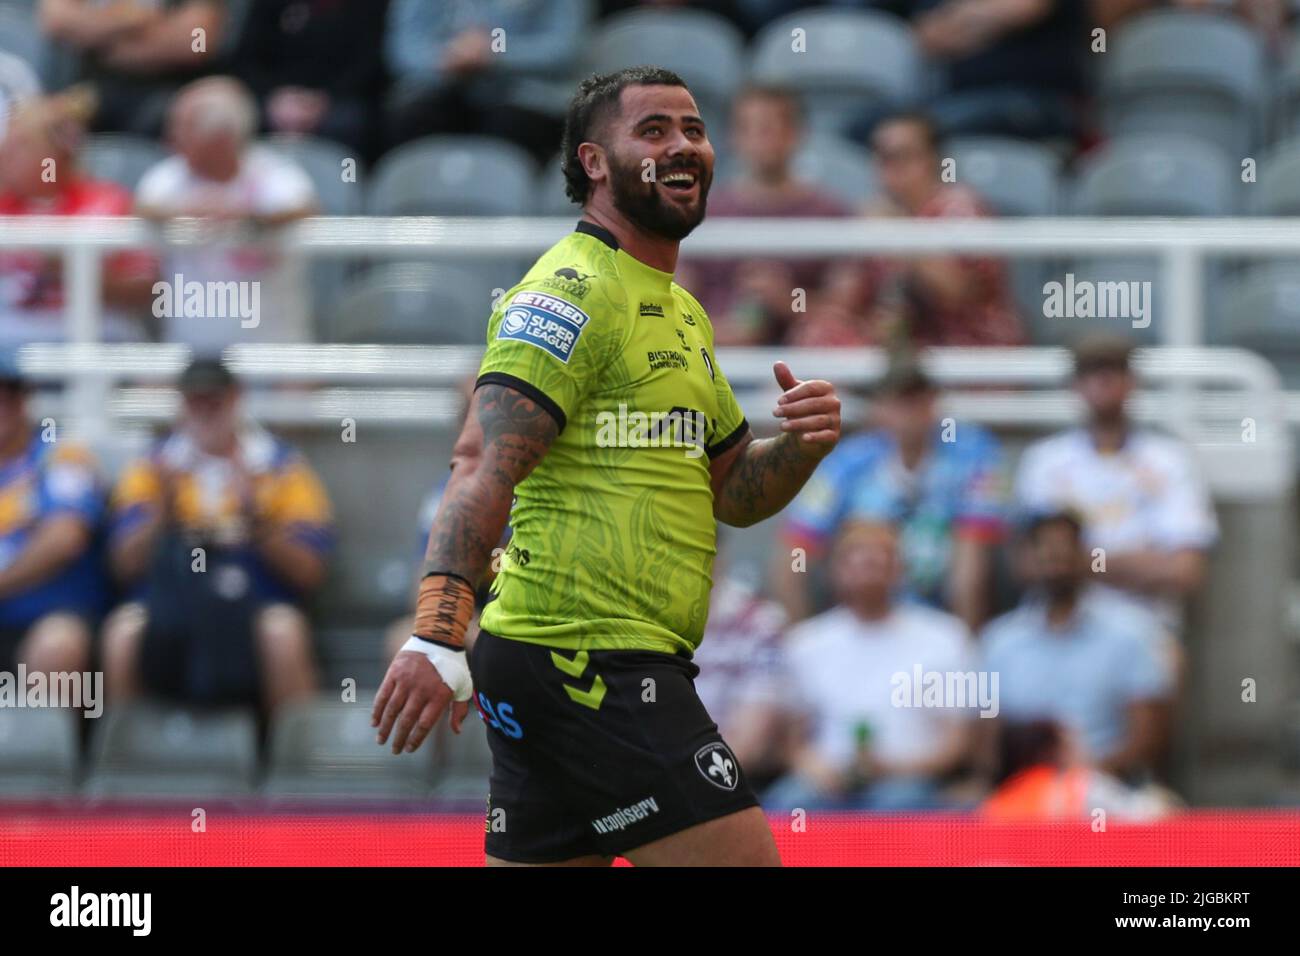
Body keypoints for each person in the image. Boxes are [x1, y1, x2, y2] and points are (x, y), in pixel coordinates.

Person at [371, 66, 843, 867]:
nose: (683, 145)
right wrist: (437, 636)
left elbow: (733, 489)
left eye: (693, 128)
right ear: (595, 161)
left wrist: (798, 447)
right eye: (654, 130)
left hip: (576, 660)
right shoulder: (569, 291)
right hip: (589, 661)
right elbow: (481, 462)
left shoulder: (681, 308)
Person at [102, 359, 333, 714]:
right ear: (182, 403)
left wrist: (256, 520)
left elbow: (309, 571)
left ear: (236, 398)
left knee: (282, 634)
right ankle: (127, 760)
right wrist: (161, 515)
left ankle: (296, 759)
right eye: (196, 400)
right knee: (123, 633)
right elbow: (123, 565)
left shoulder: (281, 467)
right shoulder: (152, 468)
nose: (206, 410)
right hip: (170, 600)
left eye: (215, 399)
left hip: (254, 600)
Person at [771, 353, 1007, 632]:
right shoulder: (846, 463)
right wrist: (800, 640)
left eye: (919, 398)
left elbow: (970, 565)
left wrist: (963, 643)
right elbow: (795, 552)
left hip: (938, 619)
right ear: (879, 408)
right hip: (857, 618)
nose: (910, 411)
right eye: (898, 400)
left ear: (934, 402)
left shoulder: (973, 453)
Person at [1014, 334, 1217, 650]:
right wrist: (1141, 563)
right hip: (1058, 624)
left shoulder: (1171, 460)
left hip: (1146, 626)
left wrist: (1075, 562)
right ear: (1075, 385)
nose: (1102, 381)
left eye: (1113, 371)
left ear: (1132, 382)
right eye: (1091, 372)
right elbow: (1028, 566)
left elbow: (1185, 572)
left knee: (1162, 661)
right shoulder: (1044, 461)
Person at [764, 521, 976, 811]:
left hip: (911, 779)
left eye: (880, 556)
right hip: (826, 780)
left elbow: (958, 743)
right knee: (787, 806)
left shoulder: (947, 637)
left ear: (901, 568)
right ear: (833, 570)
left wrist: (890, 769)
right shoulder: (805, 643)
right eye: (856, 555)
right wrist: (814, 767)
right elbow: (790, 739)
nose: (868, 564)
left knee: (894, 805)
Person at [979, 510, 1175, 781]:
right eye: (1045, 553)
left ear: (1085, 555)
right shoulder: (999, 642)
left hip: (1108, 786)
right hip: (1022, 792)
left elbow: (1149, 738)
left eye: (1064, 551)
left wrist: (1084, 776)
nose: (1056, 563)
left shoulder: (1130, 633)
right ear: (1026, 560)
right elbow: (986, 738)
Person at [807, 111, 1024, 349]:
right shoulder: (875, 214)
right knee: (822, 331)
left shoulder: (960, 208)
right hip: (903, 347)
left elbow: (956, 294)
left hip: (969, 346)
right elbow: (842, 299)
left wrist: (899, 232)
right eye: (882, 157)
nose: (890, 168)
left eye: (901, 156)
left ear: (933, 159)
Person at [135, 76, 319, 352]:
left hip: (273, 350)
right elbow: (141, 207)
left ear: (222, 137)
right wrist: (186, 212)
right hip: (190, 355)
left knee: (300, 388)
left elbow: (304, 210)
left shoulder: (274, 173)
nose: (171, 137)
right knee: (147, 388)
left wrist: (245, 217)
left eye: (185, 127)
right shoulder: (170, 176)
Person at [675, 85, 849, 346]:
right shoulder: (698, 213)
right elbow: (673, 308)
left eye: (768, 127)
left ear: (795, 133)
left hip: (800, 368)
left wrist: (787, 299)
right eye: (747, 128)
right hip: (712, 362)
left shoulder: (830, 214)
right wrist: (725, 333)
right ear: (733, 137)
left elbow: (847, 316)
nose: (758, 140)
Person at [0, 88, 157, 346]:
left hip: (95, 342)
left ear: (57, 154)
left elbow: (145, 289)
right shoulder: (3, 206)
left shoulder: (108, 204)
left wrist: (69, 267)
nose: (5, 156)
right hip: (10, 355)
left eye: (22, 146)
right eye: (7, 144)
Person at [0, 354, 107, 680]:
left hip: (48, 613)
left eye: (8, 395)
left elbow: (65, 538)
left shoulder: (61, 457)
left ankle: (47, 733)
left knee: (56, 644)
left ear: (25, 399)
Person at [384, 0, 587, 164]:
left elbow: (564, 48)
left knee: (512, 123)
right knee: (414, 118)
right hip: (443, 87)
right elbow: (403, 50)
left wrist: (495, 53)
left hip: (525, 96)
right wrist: (449, 57)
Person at [229, 0, 390, 162]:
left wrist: (322, 100)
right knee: (237, 114)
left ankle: (346, 182)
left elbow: (368, 63)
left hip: (338, 97)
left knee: (349, 122)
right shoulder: (269, 5)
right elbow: (247, 59)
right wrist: (277, 97)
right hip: (275, 95)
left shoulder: (369, 5)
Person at [38, 0, 226, 136]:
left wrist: (103, 42)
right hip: (91, 88)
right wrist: (133, 20)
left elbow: (195, 43)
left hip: (162, 92)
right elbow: (57, 20)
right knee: (44, 126)